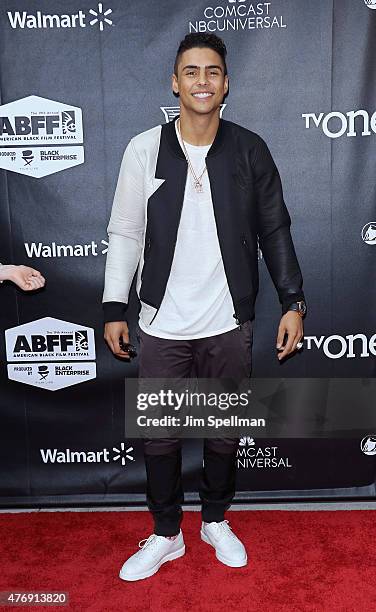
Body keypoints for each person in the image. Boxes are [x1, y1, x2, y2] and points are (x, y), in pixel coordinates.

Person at [102, 32, 307, 581]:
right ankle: (167, 534)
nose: (201, 81)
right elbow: (124, 231)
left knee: (221, 432)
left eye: (211, 72)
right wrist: (112, 306)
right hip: (162, 325)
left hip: (227, 323)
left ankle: (215, 520)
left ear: (225, 84)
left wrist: (293, 300)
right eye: (190, 72)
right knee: (161, 437)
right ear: (174, 81)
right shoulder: (143, 149)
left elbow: (275, 229)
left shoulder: (250, 149)